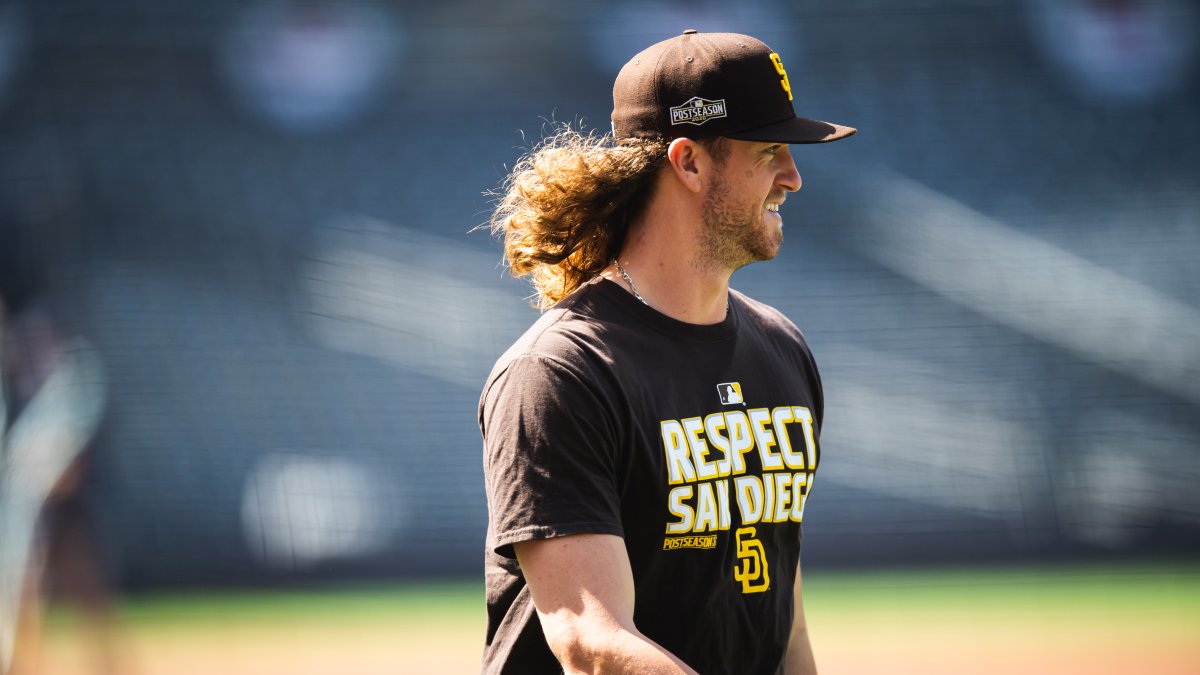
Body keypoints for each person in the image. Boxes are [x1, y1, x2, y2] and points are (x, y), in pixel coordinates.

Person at [479, 29, 855, 675]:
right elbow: (589, 641)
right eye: (769, 151)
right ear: (688, 162)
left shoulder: (780, 346)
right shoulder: (561, 370)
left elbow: (784, 619)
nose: (792, 177)